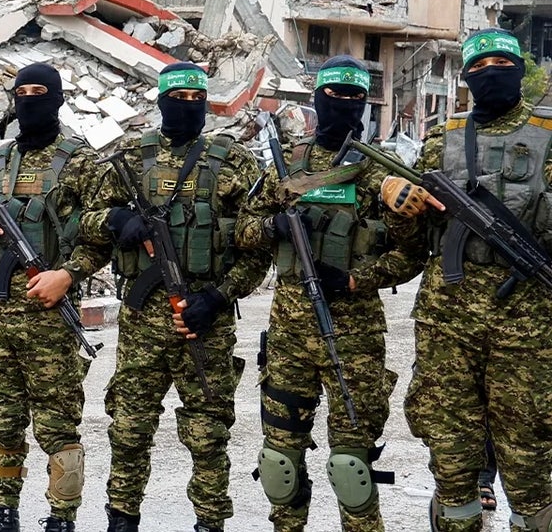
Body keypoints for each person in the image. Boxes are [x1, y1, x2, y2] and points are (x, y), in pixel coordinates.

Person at [237, 55, 425, 532]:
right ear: (318, 99)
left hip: (354, 337)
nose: (345, 105)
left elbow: (413, 255)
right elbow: (240, 231)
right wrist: (271, 225)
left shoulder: (381, 172)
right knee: (281, 464)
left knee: (351, 468)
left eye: (356, 98)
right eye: (335, 95)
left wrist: (358, 280)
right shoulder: (290, 163)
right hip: (289, 337)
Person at [80, 63, 268, 532]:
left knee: (208, 433)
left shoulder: (236, 163)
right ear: (161, 101)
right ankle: (121, 517)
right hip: (144, 317)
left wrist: (219, 299)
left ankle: (210, 521)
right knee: (128, 427)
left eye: (195, 99)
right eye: (177, 98)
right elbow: (82, 221)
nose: (187, 107)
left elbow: (258, 247)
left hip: (206, 321)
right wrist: (116, 223)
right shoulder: (130, 157)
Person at [390, 29, 552, 531]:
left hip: (527, 327)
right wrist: (396, 198)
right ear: (466, 77)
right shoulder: (444, 140)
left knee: (529, 463)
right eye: (480, 67)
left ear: (520, 72)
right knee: (452, 458)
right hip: (447, 324)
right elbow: (412, 240)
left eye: (503, 64)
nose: (492, 74)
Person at [0, 62, 112, 532]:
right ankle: (3, 510)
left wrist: (68, 274)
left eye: (40, 91)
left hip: (48, 314)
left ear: (57, 98)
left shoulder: (81, 161)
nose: (29, 99)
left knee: (57, 422)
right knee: (1, 418)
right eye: (22, 91)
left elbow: (101, 234)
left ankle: (61, 516)